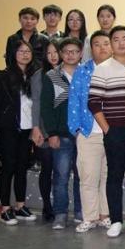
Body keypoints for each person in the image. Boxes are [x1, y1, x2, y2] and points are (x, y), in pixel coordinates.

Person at [88, 25, 125, 238]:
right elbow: (94, 102)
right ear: (111, 44)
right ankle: (116, 220)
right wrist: (108, 130)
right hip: (115, 131)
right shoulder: (103, 68)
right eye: (116, 39)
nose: (121, 42)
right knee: (115, 176)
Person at [0, 40, 39, 225]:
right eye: (21, 51)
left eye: (28, 51)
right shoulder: (4, 76)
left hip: (27, 129)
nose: (25, 54)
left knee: (21, 167)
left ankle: (20, 205)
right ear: (13, 54)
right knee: (8, 167)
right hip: (9, 128)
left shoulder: (35, 75)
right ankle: (5, 209)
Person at [68, 30, 112, 233]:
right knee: (88, 177)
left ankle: (105, 215)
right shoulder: (82, 71)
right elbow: (74, 100)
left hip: (113, 133)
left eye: (106, 43)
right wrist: (76, 128)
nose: (102, 48)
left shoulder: (119, 69)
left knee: (108, 177)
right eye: (97, 44)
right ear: (91, 48)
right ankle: (90, 216)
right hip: (88, 132)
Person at [41, 37, 83, 230]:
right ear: (61, 54)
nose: (70, 55)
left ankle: (81, 212)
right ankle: (60, 214)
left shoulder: (86, 73)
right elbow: (46, 107)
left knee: (83, 176)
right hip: (61, 135)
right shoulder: (52, 76)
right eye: (66, 52)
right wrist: (52, 133)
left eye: (75, 51)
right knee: (61, 176)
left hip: (84, 135)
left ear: (80, 54)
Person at [29, 39, 60, 222]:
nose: (52, 56)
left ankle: (60, 206)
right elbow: (36, 104)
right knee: (47, 169)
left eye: (55, 52)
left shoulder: (67, 72)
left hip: (63, 129)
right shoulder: (38, 75)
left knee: (61, 171)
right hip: (44, 129)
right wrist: (35, 128)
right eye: (49, 53)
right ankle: (47, 206)